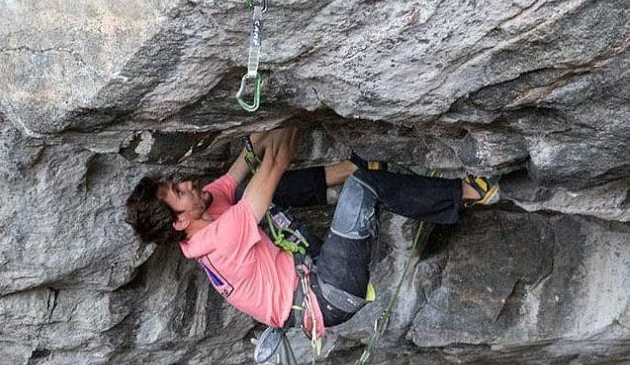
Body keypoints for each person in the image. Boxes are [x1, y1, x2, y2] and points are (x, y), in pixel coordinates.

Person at [125, 129, 499, 347]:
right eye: (178, 190)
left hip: (308, 269)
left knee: (251, 194)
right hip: (328, 292)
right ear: (179, 222)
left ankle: (350, 165)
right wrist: (295, 118)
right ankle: (464, 193)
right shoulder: (221, 239)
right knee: (363, 187)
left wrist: (266, 126)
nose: (188, 183)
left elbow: (250, 158)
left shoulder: (206, 211)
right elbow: (273, 163)